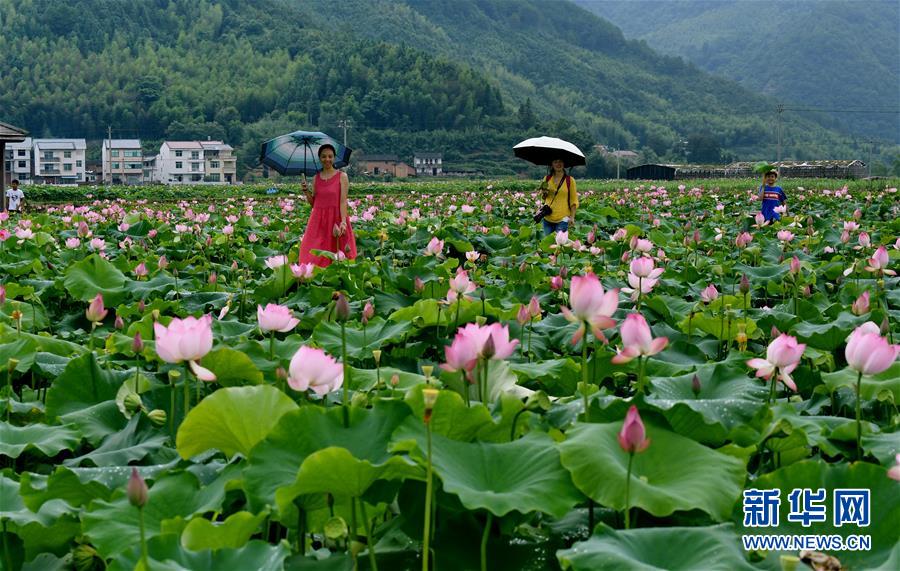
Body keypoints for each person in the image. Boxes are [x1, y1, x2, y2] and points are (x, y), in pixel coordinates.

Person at [298, 144, 357, 267]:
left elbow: (343, 201)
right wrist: (306, 191)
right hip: (318, 221)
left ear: (334, 158)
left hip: (336, 220)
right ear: (320, 158)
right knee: (309, 252)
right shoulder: (316, 178)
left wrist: (343, 222)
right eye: (324, 156)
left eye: (330, 156)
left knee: (339, 255)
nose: (327, 159)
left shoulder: (342, 177)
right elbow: (314, 203)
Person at [539, 158, 578, 236]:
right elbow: (543, 198)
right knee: (548, 242)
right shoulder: (546, 179)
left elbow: (573, 201)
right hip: (547, 217)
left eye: (560, 162)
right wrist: (544, 193)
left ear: (564, 164)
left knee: (559, 242)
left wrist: (572, 217)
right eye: (555, 162)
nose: (558, 164)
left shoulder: (570, 180)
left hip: (563, 218)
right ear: (552, 164)